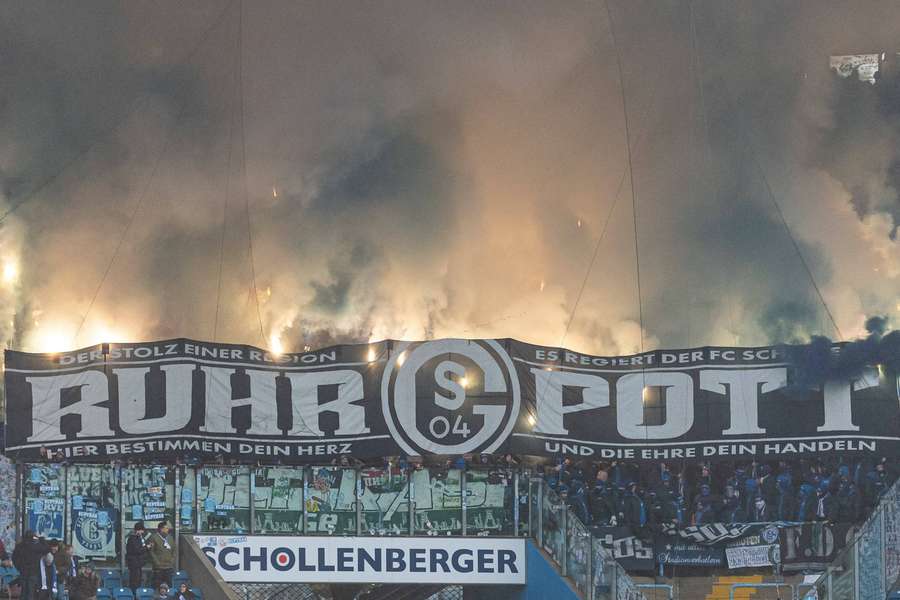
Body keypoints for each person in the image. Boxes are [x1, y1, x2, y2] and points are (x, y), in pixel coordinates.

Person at [12, 530, 50, 600]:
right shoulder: (35, 546)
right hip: (33, 572)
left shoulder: (19, 546)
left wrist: (19, 567)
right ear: (33, 537)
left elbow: (14, 558)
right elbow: (47, 549)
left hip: (23, 572)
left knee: (23, 592)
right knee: (31, 593)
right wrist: (42, 539)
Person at [148, 521, 175, 588]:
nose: (168, 530)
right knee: (157, 585)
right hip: (159, 567)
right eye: (166, 528)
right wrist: (157, 562)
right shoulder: (154, 537)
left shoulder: (170, 538)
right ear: (161, 529)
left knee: (169, 585)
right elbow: (151, 551)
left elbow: (174, 550)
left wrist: (172, 560)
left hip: (169, 566)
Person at [125, 521, 149, 590]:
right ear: (138, 530)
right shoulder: (133, 538)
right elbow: (137, 550)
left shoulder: (139, 538)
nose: (143, 532)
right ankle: (134, 594)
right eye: (142, 530)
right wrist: (146, 547)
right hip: (134, 563)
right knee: (135, 581)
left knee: (138, 580)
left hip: (138, 563)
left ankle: (136, 593)